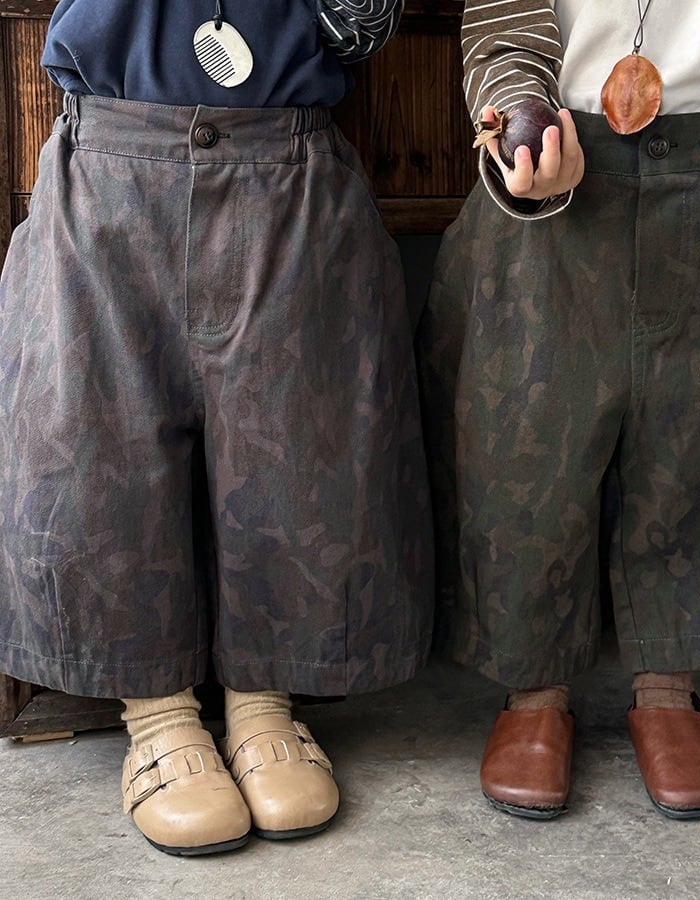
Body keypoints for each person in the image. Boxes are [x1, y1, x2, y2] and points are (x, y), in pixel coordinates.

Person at [0, 0, 433, 855]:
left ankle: (264, 699)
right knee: (97, 440)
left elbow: (364, 22)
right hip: (112, 155)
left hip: (287, 158)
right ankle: (156, 712)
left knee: (302, 439)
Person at [419, 0, 700, 820]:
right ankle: (534, 687)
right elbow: (503, 26)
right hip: (559, 167)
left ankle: (670, 684)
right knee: (527, 443)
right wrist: (523, 128)